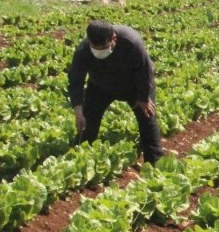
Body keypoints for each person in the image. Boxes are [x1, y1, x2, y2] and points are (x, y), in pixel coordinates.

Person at [67, 19, 164, 163]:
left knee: (146, 117)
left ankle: (154, 161)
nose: (99, 52)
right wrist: (78, 111)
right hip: (100, 84)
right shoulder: (83, 50)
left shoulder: (131, 41)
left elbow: (145, 70)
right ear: (89, 42)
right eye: (95, 48)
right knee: (88, 119)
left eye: (104, 48)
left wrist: (143, 98)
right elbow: (76, 80)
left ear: (114, 39)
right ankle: (81, 156)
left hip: (134, 84)